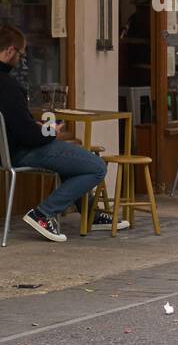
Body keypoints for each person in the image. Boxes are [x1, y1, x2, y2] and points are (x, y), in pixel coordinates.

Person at [0, 24, 125, 241]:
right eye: (21, 54)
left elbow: (15, 123)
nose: (21, 59)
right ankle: (42, 213)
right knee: (96, 167)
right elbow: (29, 137)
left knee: (73, 158)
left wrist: (34, 126)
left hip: (7, 151)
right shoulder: (9, 86)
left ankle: (89, 214)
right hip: (19, 152)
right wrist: (50, 131)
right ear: (10, 51)